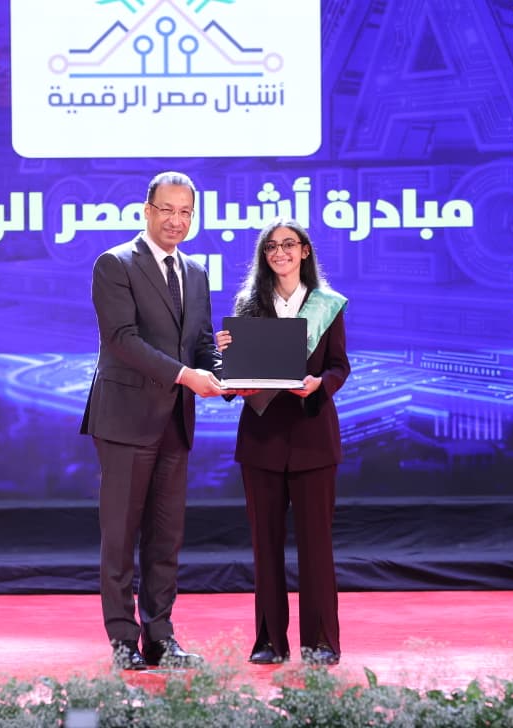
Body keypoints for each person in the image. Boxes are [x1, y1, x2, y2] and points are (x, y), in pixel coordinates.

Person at [80, 171, 224, 670]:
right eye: (167, 210)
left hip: (175, 422)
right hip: (125, 419)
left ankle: (160, 638)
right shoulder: (115, 264)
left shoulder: (197, 271)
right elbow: (122, 339)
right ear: (147, 211)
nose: (176, 221)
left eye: (185, 212)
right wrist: (186, 376)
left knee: (166, 538)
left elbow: (202, 343)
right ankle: (124, 641)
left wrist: (231, 376)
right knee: (121, 537)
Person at [215, 218, 350, 665]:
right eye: (271, 247)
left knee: (316, 548)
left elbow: (339, 366)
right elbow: (231, 377)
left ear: (305, 251)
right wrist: (225, 359)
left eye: (288, 245)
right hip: (262, 438)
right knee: (266, 547)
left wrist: (320, 384)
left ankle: (321, 643)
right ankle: (269, 642)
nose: (280, 253)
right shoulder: (248, 304)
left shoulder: (328, 304)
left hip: (313, 438)